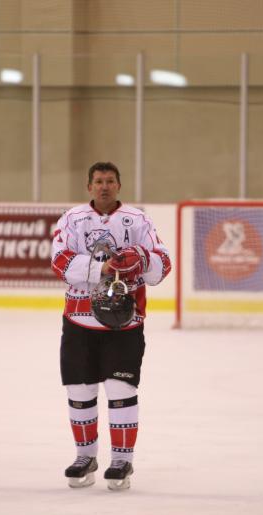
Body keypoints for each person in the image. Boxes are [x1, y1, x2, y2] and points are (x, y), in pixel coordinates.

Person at [51, 161, 171, 491]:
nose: (104, 186)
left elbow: (163, 263)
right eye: (99, 181)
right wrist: (103, 268)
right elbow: (59, 262)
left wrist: (142, 259)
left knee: (121, 391)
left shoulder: (138, 220)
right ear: (89, 186)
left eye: (110, 181)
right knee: (80, 391)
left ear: (119, 185)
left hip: (124, 323)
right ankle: (85, 456)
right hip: (79, 320)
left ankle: (121, 460)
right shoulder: (72, 219)